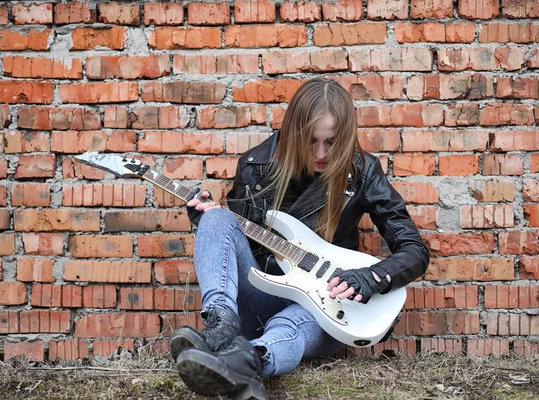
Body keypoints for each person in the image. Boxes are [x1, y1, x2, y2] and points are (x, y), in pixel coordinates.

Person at [169, 78, 430, 400]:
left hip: (325, 307)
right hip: (262, 294)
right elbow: (237, 249)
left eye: (331, 142)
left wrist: (371, 277)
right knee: (217, 216)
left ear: (345, 137)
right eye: (311, 141)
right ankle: (220, 329)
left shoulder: (363, 171)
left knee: (289, 324)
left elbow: (414, 250)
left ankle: (244, 363)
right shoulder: (255, 165)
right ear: (294, 133)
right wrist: (207, 223)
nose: (321, 154)